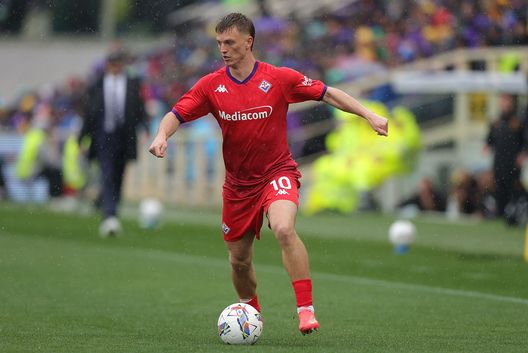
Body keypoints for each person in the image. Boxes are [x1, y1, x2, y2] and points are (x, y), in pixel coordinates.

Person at [148, 13, 388, 335]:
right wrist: (162, 135)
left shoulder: (278, 78)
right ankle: (251, 310)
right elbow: (176, 113)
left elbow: (328, 93)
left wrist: (368, 114)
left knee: (284, 228)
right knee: (239, 261)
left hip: (277, 172)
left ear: (249, 42)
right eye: (219, 43)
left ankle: (305, 310)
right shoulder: (212, 86)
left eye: (230, 43)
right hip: (238, 186)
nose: (223, 49)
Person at [79, 48, 146, 237]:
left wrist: (146, 129)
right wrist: (82, 137)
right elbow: (89, 113)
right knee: (107, 173)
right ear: (108, 66)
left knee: (119, 175)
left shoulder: (132, 84)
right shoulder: (98, 85)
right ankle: (109, 214)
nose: (116, 68)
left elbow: (138, 109)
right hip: (103, 135)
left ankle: (112, 210)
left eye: (119, 64)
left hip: (125, 136)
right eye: (113, 64)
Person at [485, 94, 525, 219]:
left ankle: (513, 214)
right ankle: (500, 213)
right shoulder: (496, 122)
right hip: (499, 161)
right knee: (499, 187)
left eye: (507, 100)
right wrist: (486, 145)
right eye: (502, 100)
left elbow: (524, 139)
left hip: (513, 162)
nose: (504, 103)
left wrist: (523, 153)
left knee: (513, 187)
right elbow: (490, 139)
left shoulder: (518, 121)